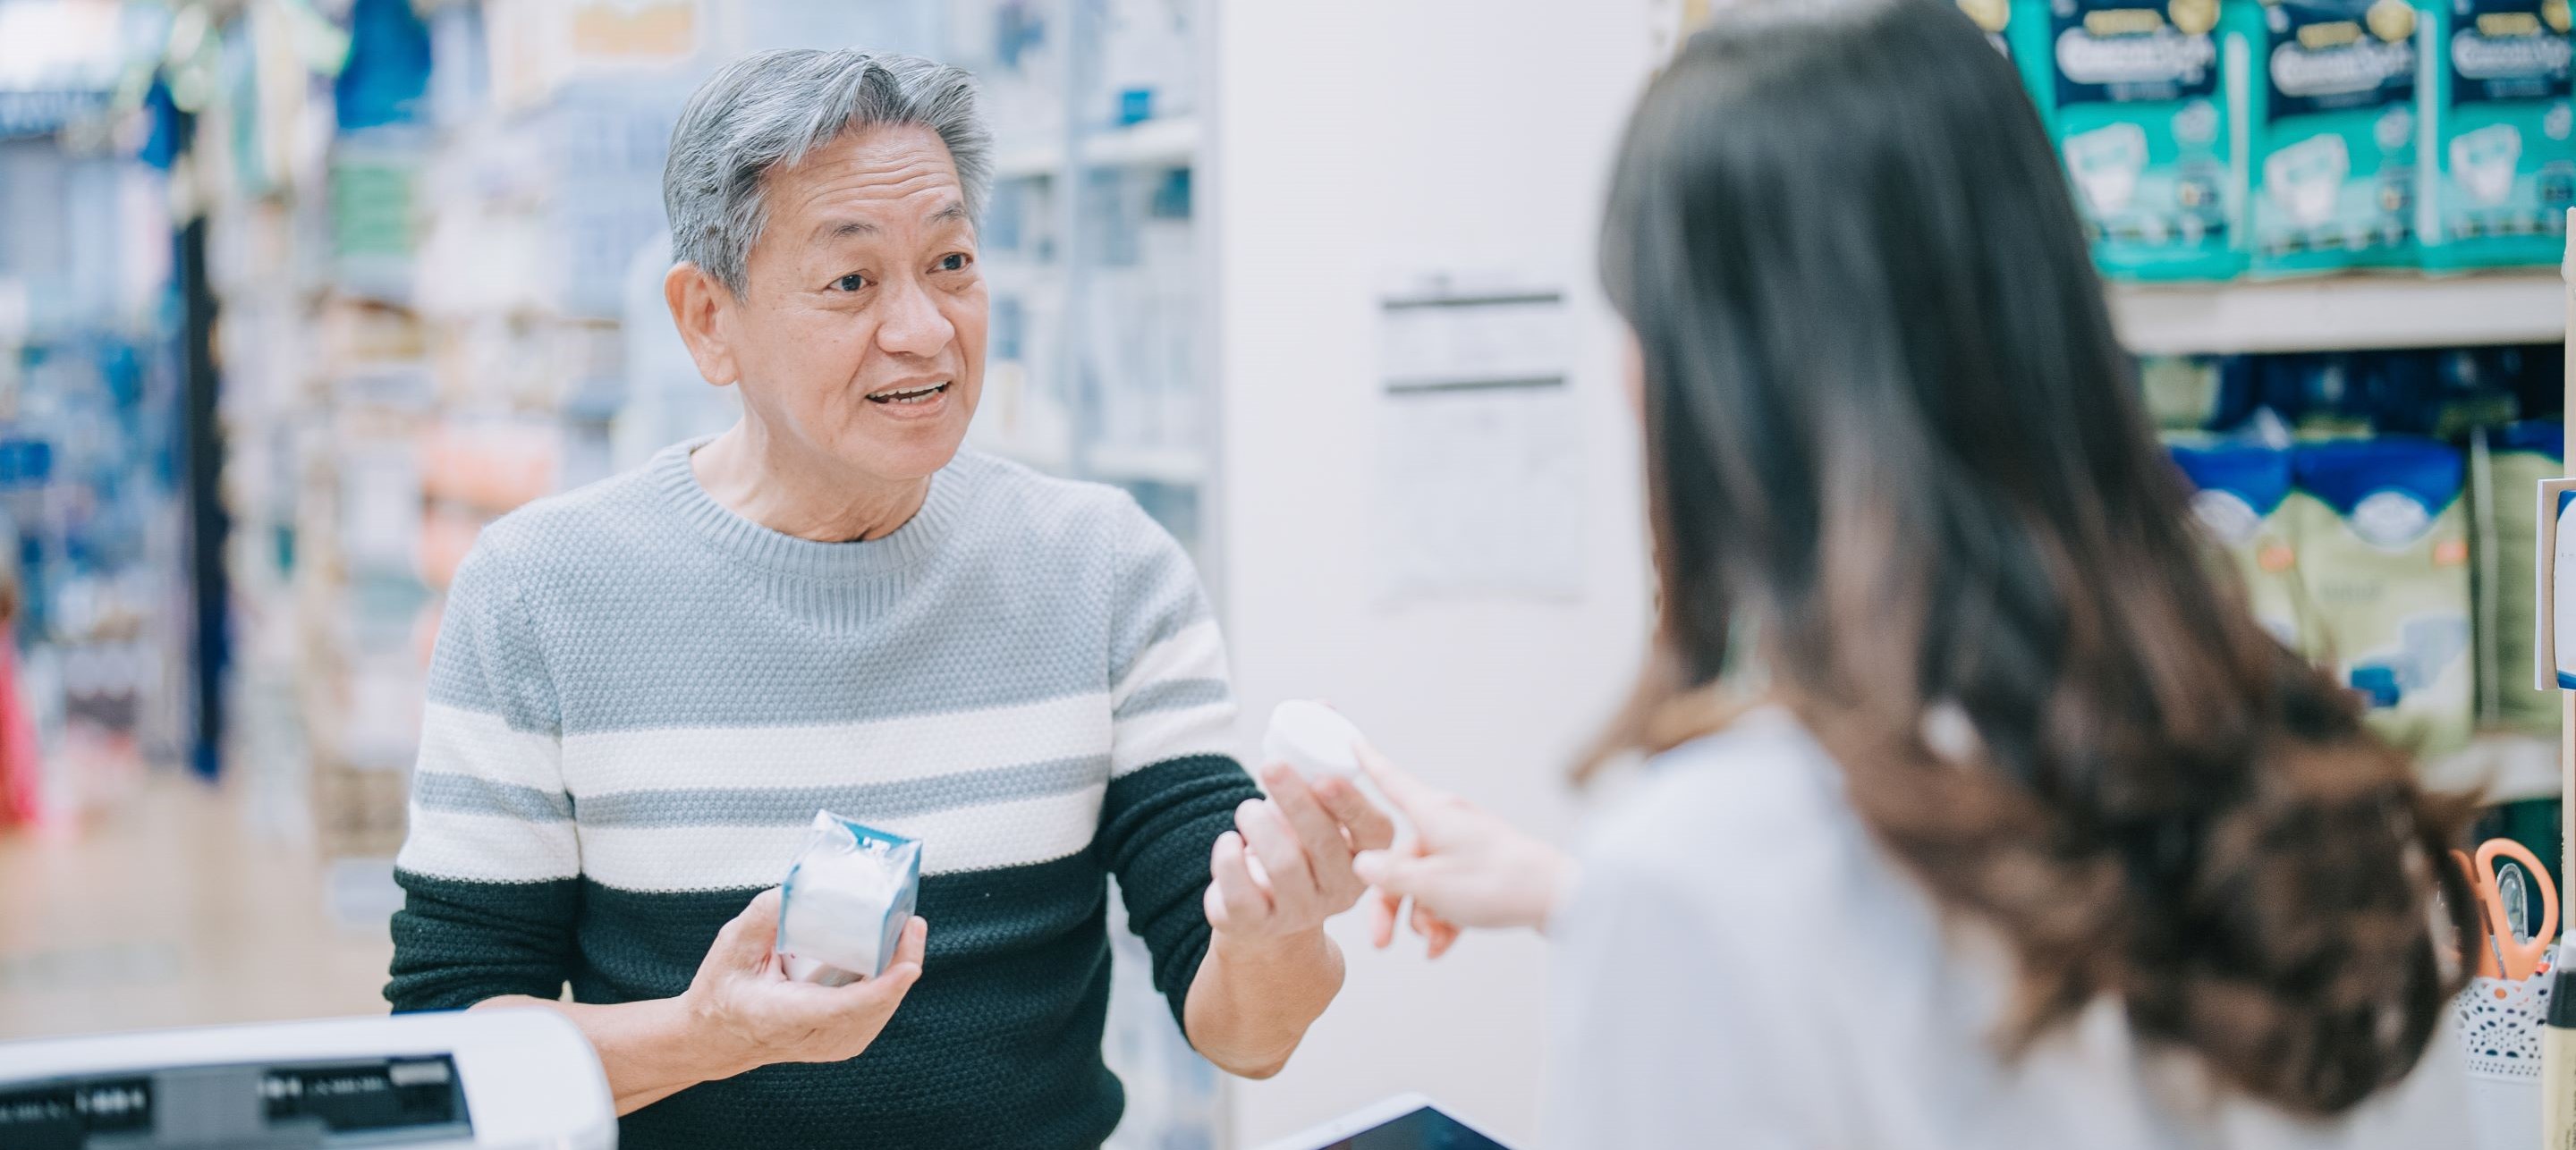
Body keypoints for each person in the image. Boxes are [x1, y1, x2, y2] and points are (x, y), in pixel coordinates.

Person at [1348, 1, 2477, 1146]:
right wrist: (1586, 900)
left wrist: (1646, 921)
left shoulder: (1705, 874)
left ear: (1715, 389)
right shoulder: (2315, 789)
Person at [385, 49, 1389, 1148]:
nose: (923, 329)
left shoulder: (1107, 571)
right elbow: (448, 1039)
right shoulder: (539, 594)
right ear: (707, 319)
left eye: (951, 260)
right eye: (852, 282)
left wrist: (1275, 932)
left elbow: (1247, 1034)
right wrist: (708, 1032)